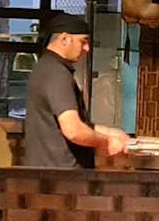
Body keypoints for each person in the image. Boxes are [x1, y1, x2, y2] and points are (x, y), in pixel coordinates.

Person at [23, 12, 131, 169]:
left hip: (51, 173)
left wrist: (110, 132)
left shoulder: (46, 67)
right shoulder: (57, 73)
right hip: (62, 177)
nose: (87, 48)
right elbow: (73, 130)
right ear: (65, 39)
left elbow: (74, 124)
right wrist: (106, 141)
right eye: (83, 41)